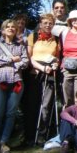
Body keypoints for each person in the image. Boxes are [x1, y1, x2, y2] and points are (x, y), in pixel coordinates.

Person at [0, 19, 29, 153]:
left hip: (15, 82)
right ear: (2, 30)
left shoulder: (20, 46)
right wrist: (13, 60)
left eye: (13, 27)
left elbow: (25, 62)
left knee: (10, 114)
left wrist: (15, 62)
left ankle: (3, 142)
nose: (10, 28)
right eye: (7, 27)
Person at [27, 13, 60, 145]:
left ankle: (42, 134)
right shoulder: (33, 36)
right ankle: (30, 134)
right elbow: (29, 57)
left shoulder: (56, 39)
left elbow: (57, 57)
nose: (47, 25)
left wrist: (56, 64)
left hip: (50, 73)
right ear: (40, 24)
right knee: (33, 104)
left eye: (50, 23)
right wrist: (41, 67)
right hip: (35, 72)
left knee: (46, 105)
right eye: (45, 23)